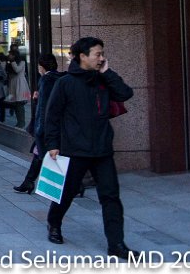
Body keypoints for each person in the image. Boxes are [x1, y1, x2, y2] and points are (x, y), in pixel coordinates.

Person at [43, 37, 136, 257]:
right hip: (75, 149)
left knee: (111, 197)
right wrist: (52, 144)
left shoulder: (103, 79)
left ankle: (116, 245)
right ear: (82, 56)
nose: (101, 58)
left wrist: (108, 71)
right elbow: (52, 115)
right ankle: (53, 223)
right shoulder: (65, 83)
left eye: (102, 54)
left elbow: (125, 93)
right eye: (97, 54)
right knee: (66, 192)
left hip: (102, 149)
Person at [14, 53, 63, 193]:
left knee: (44, 154)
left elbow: (45, 107)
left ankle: (74, 185)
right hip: (56, 125)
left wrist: (39, 129)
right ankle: (28, 182)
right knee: (38, 153)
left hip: (47, 126)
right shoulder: (59, 78)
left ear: (41, 67)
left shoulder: (46, 80)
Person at [5, 48, 31, 128]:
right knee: (15, 104)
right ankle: (19, 121)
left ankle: (21, 122)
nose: (9, 56)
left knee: (19, 103)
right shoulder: (9, 63)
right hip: (13, 84)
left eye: (11, 54)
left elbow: (17, 70)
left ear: (14, 55)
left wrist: (12, 62)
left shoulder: (22, 62)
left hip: (20, 84)